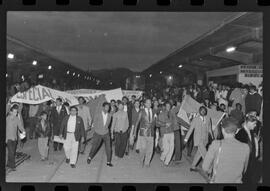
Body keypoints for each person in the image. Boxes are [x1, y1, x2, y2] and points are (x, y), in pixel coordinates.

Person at [202, 117, 250, 183]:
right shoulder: (246, 147)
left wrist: (212, 171)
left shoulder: (216, 144)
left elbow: (205, 167)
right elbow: (244, 169)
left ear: (222, 129)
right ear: (237, 131)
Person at [184, 106, 213, 171]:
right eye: (202, 110)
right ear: (199, 111)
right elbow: (190, 130)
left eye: (204, 110)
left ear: (206, 111)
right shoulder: (195, 119)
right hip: (198, 140)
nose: (203, 111)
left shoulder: (208, 118)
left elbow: (210, 129)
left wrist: (212, 138)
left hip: (205, 140)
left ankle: (193, 166)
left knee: (199, 154)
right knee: (205, 155)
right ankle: (210, 170)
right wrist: (186, 139)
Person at [235, 112, 259, 183]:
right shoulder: (240, 133)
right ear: (248, 122)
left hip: (251, 163)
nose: (255, 126)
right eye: (254, 124)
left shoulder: (251, 132)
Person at [87, 102, 113, 167]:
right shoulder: (98, 114)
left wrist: (106, 131)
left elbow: (108, 125)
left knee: (109, 148)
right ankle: (90, 157)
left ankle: (108, 162)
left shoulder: (110, 116)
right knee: (95, 147)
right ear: (103, 107)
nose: (107, 108)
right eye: (106, 107)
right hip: (98, 133)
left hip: (106, 133)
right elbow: (94, 124)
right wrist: (97, 131)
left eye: (108, 107)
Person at [134, 99, 156, 167]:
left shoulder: (154, 111)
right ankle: (141, 161)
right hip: (143, 133)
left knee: (150, 149)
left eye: (150, 103)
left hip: (151, 133)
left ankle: (147, 163)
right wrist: (135, 132)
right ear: (145, 104)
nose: (149, 104)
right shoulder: (142, 111)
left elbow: (155, 122)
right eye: (147, 103)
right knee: (143, 149)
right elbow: (137, 122)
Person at [6, 104, 26, 171]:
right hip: (8, 138)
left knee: (12, 152)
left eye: (16, 112)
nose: (16, 113)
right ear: (11, 112)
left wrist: (23, 131)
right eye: (14, 112)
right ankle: (12, 166)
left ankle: (8, 164)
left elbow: (20, 126)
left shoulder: (17, 119)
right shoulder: (7, 119)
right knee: (11, 152)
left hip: (15, 138)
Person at [156, 102, 174, 166]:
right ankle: (162, 157)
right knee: (166, 149)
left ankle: (167, 162)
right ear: (164, 107)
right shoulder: (161, 114)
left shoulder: (172, 114)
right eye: (167, 106)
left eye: (169, 106)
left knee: (172, 148)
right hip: (165, 133)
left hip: (172, 132)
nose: (168, 107)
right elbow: (157, 123)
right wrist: (164, 124)